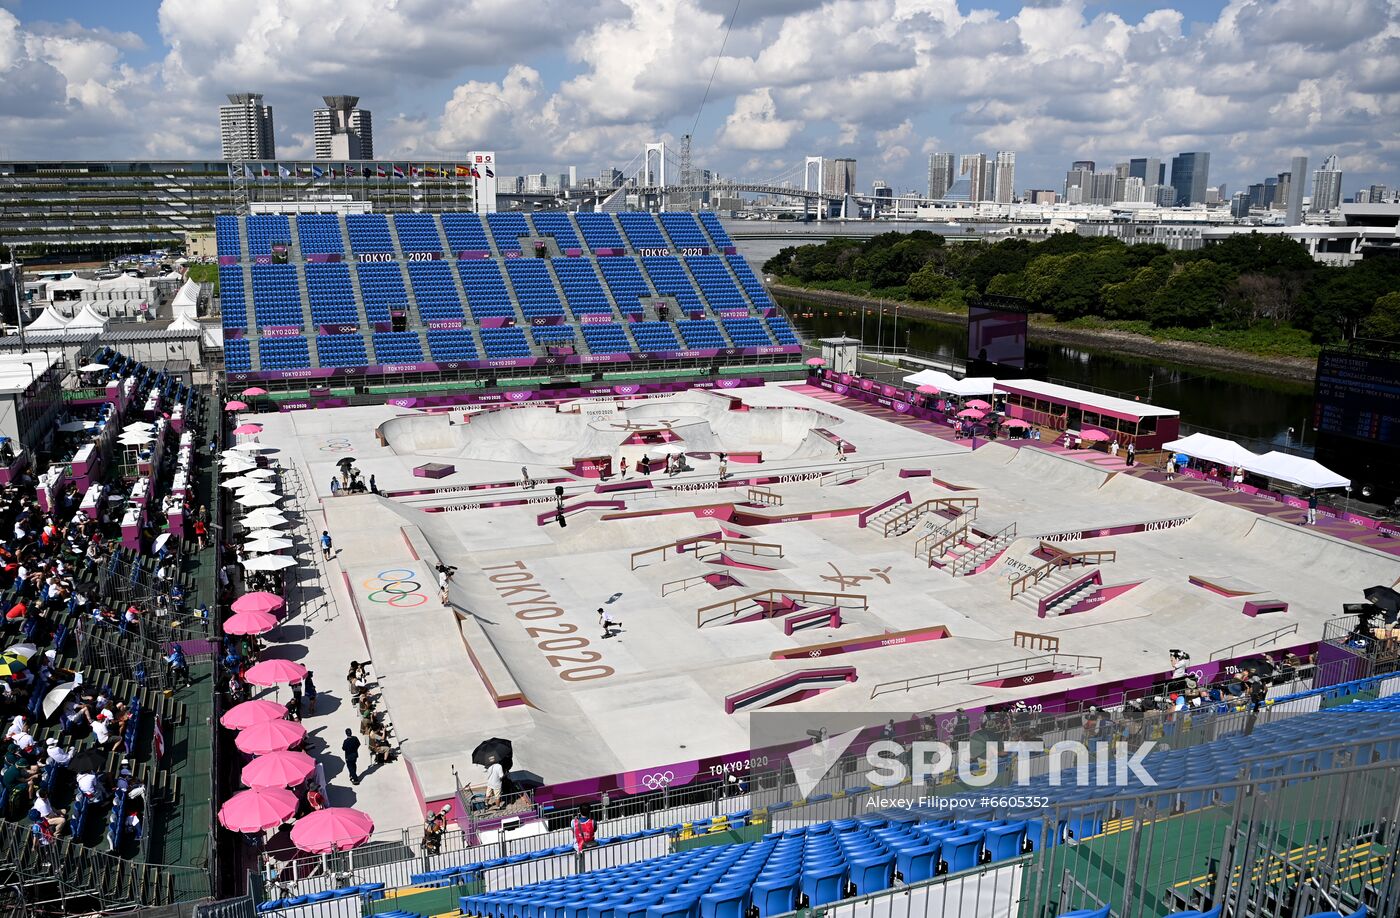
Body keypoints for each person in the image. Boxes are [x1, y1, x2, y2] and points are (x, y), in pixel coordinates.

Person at [571, 803, 597, 870]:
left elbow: (573, 831)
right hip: (590, 847)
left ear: (579, 811)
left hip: (578, 848)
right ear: (589, 811)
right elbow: (594, 830)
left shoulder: (573, 822)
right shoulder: (593, 822)